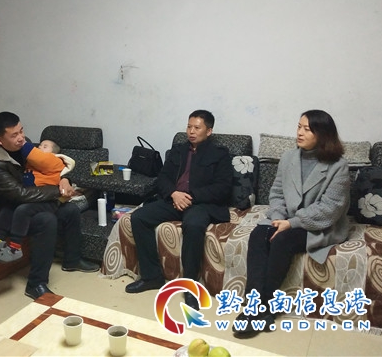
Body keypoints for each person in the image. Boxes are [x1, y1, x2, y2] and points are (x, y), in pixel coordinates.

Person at [233, 110, 350, 337]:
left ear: (322, 134)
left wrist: (292, 223)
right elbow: (276, 193)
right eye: (299, 127)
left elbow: (330, 208)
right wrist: (278, 217)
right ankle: (254, 305)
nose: (300, 133)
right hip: (285, 218)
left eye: (307, 129)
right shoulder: (288, 158)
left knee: (282, 240)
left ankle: (262, 307)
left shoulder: (338, 165)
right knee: (258, 235)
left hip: (319, 224)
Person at [0, 112, 99, 301]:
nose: (21, 138)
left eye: (21, 131)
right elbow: (20, 194)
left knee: (70, 210)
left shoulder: (24, 144)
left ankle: (72, 260)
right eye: (14, 135)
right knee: (46, 220)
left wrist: (65, 180)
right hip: (7, 214)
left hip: (29, 205)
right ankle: (36, 284)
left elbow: (50, 166)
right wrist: (58, 191)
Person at [125, 110, 233, 311]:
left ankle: (190, 287)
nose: (191, 131)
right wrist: (174, 194)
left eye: (197, 128)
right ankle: (151, 277)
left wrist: (190, 196)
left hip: (200, 203)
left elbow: (223, 187)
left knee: (193, 225)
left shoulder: (220, 154)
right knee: (139, 217)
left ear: (209, 131)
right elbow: (163, 178)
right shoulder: (178, 150)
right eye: (189, 127)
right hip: (174, 200)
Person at [0, 138, 76, 263]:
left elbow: (38, 157)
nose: (40, 147)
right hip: (32, 198)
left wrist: (23, 143)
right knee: (8, 207)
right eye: (40, 145)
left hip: (48, 200)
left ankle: (15, 247)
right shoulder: (32, 164)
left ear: (54, 153)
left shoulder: (54, 160)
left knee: (23, 210)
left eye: (45, 146)